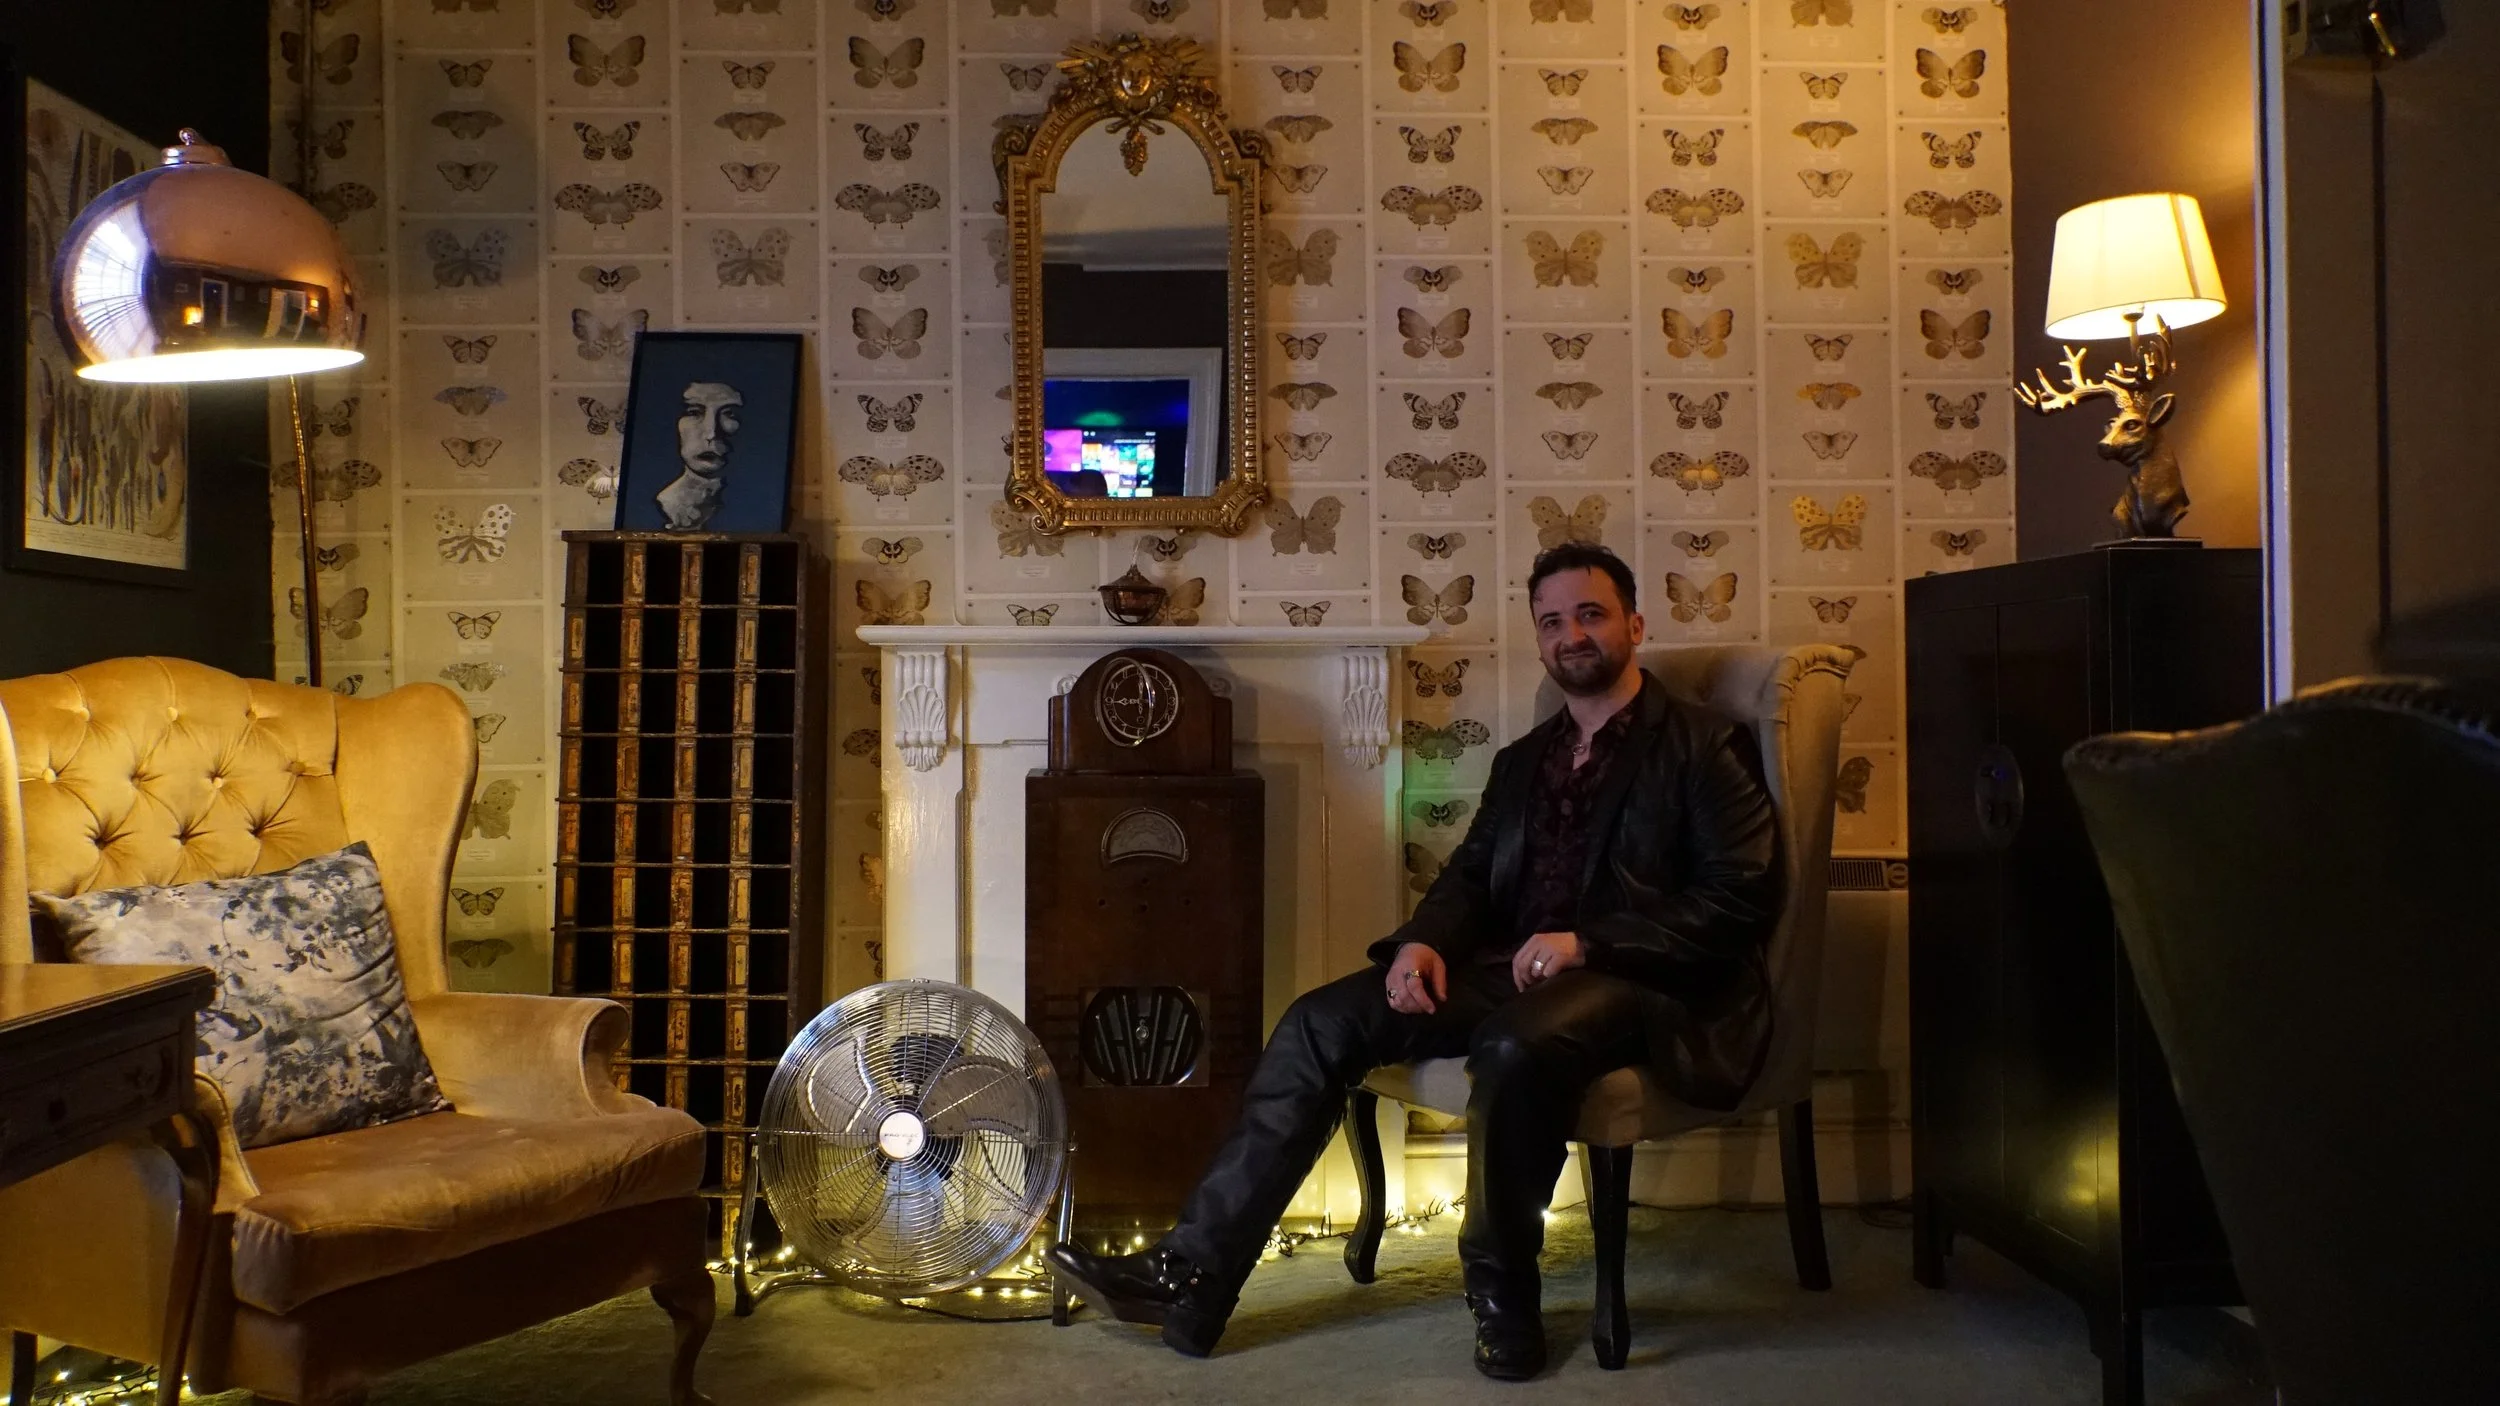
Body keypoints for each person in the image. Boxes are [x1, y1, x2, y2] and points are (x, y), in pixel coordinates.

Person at [1045, 543, 1783, 1380]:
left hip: (1644, 982)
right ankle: (1191, 1278)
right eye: (1552, 621)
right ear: (1539, 640)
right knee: (1321, 1022)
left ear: (1633, 624)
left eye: (1590, 614)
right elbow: (1471, 877)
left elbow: (1740, 897)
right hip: (1515, 968)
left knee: (1515, 1044)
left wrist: (1591, 943)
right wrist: (1421, 944)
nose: (1571, 634)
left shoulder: (1702, 745)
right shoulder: (1524, 760)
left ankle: (1504, 1291)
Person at [654, 380, 744, 529]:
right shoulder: (667, 500)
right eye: (694, 413)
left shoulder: (754, 503)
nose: (711, 433)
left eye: (729, 414)